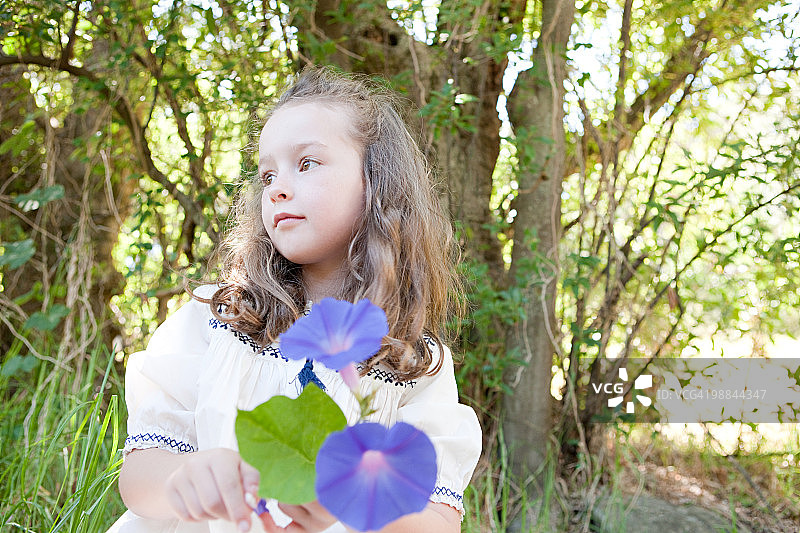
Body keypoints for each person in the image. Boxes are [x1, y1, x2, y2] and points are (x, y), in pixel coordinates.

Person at [108, 66, 482, 533]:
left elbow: (437, 520)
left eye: (306, 163)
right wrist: (187, 479)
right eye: (267, 175)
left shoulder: (412, 363)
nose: (277, 187)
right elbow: (139, 480)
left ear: (376, 182)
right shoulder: (219, 319)